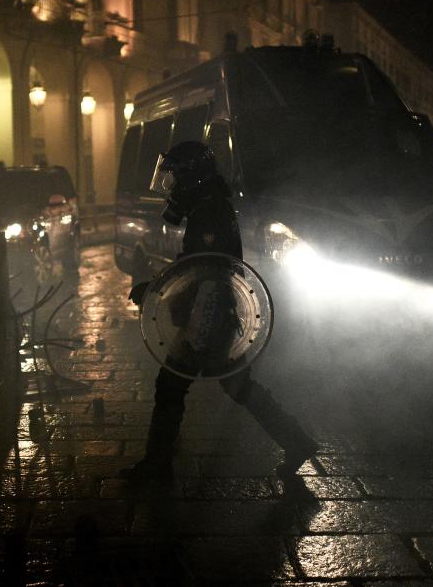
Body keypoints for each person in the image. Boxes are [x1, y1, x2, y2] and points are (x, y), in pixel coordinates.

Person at [121, 140, 317, 485]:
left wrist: (154, 288)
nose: (171, 187)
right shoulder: (208, 206)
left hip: (208, 314)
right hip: (213, 311)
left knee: (172, 386)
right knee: (236, 385)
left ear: (191, 176)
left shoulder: (209, 211)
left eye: (174, 178)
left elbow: (201, 268)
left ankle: (157, 465)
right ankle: (297, 441)